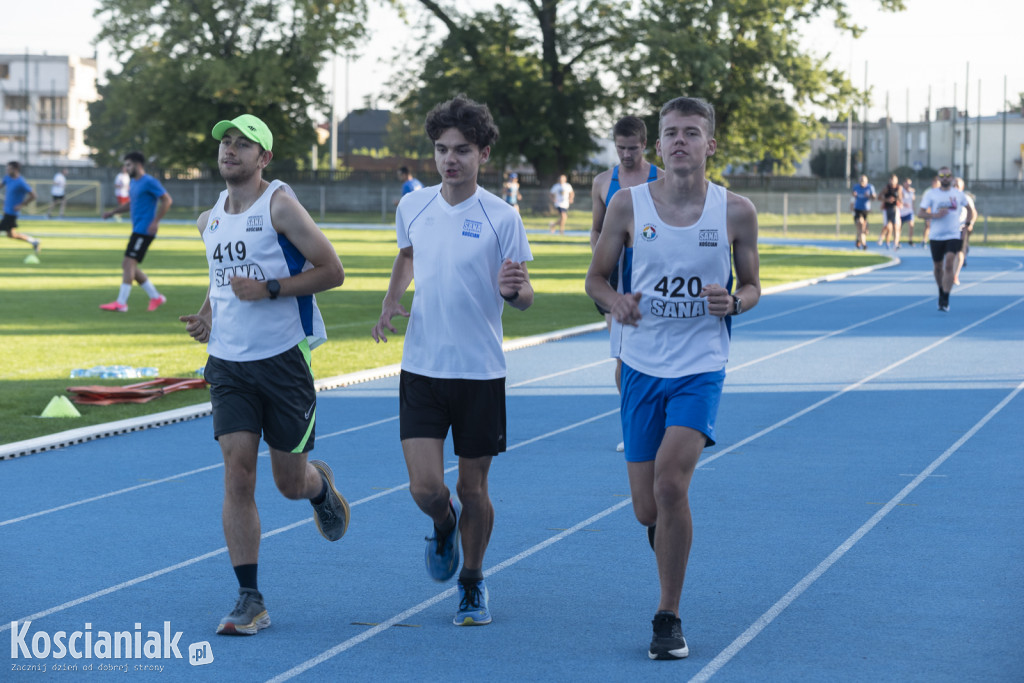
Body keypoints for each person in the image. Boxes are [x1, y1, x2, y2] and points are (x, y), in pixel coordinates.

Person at [585, 96, 760, 661]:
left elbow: (755, 286)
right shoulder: (628, 206)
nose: (679, 141)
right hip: (640, 365)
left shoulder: (736, 211)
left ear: (710, 145)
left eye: (691, 132)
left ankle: (668, 616)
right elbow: (595, 279)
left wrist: (733, 301)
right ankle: (668, 547)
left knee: (670, 486)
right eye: (670, 133)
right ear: (657, 147)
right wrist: (617, 302)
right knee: (645, 509)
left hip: (701, 366)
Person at [179, 113, 349, 636]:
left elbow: (332, 270)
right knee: (238, 475)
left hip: (281, 365)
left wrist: (272, 288)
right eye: (225, 141)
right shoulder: (209, 219)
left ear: (264, 158)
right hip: (228, 367)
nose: (230, 149)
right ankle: (250, 597)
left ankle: (319, 489)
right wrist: (209, 311)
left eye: (242, 143)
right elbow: (222, 279)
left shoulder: (279, 203)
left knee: (287, 481)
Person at [372, 94, 533, 627]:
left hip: (479, 372)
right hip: (421, 368)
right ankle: (444, 526)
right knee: (425, 488)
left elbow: (523, 295)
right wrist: (393, 298)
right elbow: (408, 254)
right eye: (441, 149)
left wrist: (515, 291)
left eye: (462, 150)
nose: (450, 160)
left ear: (483, 153)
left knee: (473, 489)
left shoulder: (501, 216)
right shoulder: (411, 206)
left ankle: (472, 581)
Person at [589, 115, 662, 452]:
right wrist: (599, 256)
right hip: (617, 281)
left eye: (633, 148)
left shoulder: (661, 179)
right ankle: (633, 424)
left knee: (660, 353)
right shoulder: (604, 182)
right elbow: (596, 227)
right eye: (620, 148)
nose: (627, 155)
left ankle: (663, 420)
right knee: (623, 359)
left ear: (644, 145)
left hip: (654, 278)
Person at [100, 152, 172, 312]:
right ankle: (156, 297)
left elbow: (167, 200)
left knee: (128, 264)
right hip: (138, 229)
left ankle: (121, 303)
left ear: (138, 164)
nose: (126, 168)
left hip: (145, 230)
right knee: (129, 265)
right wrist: (113, 212)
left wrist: (156, 221)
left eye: (128, 165)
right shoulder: (134, 183)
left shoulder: (149, 182)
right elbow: (132, 204)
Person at [917, 166, 974, 312]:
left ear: (951, 177)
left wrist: (967, 224)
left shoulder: (958, 194)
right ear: (938, 178)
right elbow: (920, 213)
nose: (945, 178)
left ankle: (946, 298)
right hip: (936, 235)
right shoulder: (931, 194)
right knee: (938, 267)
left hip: (953, 234)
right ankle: (941, 290)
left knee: (949, 263)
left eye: (947, 175)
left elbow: (971, 210)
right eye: (942, 176)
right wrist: (934, 215)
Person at [0, 161, 41, 253]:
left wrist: (21, 205)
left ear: (15, 169)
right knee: (11, 235)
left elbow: (34, 195)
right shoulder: (7, 178)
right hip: (6, 210)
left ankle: (34, 242)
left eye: (9, 168)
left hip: (12, 213)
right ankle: (34, 241)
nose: (7, 170)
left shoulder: (21, 182)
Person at [953, 177, 977, 286]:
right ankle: (949, 271)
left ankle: (955, 275)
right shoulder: (946, 197)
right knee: (949, 254)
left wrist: (970, 224)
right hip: (949, 229)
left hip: (962, 228)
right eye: (954, 185)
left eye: (957, 185)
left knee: (959, 253)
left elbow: (973, 212)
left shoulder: (966, 198)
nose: (955, 187)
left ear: (962, 187)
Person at [851, 174, 876, 250]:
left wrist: (869, 196)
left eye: (863, 180)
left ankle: (858, 240)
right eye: (861, 180)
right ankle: (864, 244)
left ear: (866, 181)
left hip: (866, 210)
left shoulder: (870, 187)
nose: (862, 182)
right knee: (860, 225)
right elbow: (853, 196)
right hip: (858, 209)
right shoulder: (856, 187)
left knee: (864, 230)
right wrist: (854, 195)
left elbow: (874, 197)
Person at [878, 173, 902, 249]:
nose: (893, 181)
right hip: (887, 208)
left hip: (895, 208)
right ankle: (882, 238)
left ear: (897, 180)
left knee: (896, 226)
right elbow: (879, 197)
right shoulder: (886, 188)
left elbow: (900, 198)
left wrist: (897, 200)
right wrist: (887, 200)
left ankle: (895, 243)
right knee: (887, 226)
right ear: (889, 180)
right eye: (891, 180)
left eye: (894, 180)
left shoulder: (899, 188)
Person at [921, 175, 939, 245]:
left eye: (937, 182)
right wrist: (927, 211)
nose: (936, 183)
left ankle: (935, 239)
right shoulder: (928, 191)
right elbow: (924, 203)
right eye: (935, 182)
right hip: (929, 211)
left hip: (937, 213)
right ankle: (924, 240)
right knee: (927, 225)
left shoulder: (941, 191)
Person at [899, 178, 916, 246]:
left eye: (909, 183)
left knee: (911, 225)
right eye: (907, 183)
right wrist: (903, 204)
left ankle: (910, 240)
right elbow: (899, 199)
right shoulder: (901, 190)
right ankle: (898, 240)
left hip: (909, 211)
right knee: (899, 227)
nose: (908, 184)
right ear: (904, 183)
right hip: (901, 211)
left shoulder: (912, 191)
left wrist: (913, 207)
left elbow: (913, 200)